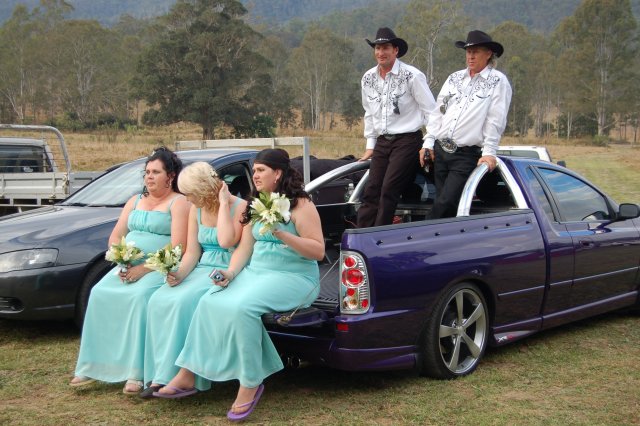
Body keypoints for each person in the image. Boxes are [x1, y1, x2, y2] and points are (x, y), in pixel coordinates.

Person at [155, 148, 324, 422]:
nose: (254, 175)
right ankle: (188, 372)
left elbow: (317, 251)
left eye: (261, 170)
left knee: (241, 308)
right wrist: (230, 273)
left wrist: (281, 233)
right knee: (211, 299)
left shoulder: (301, 205)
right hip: (257, 273)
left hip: (293, 277)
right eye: (254, 170)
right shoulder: (256, 203)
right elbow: (244, 248)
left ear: (277, 173)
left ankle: (250, 382)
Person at [70, 147, 190, 394]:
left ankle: (135, 372)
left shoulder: (179, 203)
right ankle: (95, 365)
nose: (149, 177)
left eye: (156, 172)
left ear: (171, 175)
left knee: (138, 299)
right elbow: (116, 235)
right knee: (99, 292)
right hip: (127, 267)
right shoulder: (134, 201)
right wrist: (121, 259)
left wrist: (144, 269)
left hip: (158, 268)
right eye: (147, 172)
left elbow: (179, 245)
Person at [140, 162, 246, 398]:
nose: (187, 200)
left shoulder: (240, 207)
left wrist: (222, 206)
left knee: (184, 302)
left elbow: (228, 242)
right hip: (201, 266)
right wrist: (179, 274)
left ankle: (186, 375)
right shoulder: (195, 210)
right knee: (160, 298)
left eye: (189, 194)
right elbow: (192, 252)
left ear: (203, 190)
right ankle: (160, 374)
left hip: (227, 268)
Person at [420, 30, 512, 219]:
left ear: (488, 54)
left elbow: (495, 119)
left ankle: (417, 236)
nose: (470, 55)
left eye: (476, 51)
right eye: (468, 51)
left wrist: (489, 152)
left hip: (465, 155)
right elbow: (438, 113)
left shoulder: (498, 81)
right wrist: (428, 143)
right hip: (440, 150)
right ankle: (446, 246)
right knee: (446, 204)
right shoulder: (454, 78)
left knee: (446, 202)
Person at [357, 27, 436, 227]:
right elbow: (369, 112)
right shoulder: (368, 78)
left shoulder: (412, 76)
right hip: (383, 140)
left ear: (396, 51)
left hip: (408, 140)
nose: (380, 52)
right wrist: (370, 145)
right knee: (371, 189)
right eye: (377, 48)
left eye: (385, 48)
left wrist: (429, 142)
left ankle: (379, 236)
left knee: (389, 189)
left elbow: (432, 112)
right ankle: (360, 235)